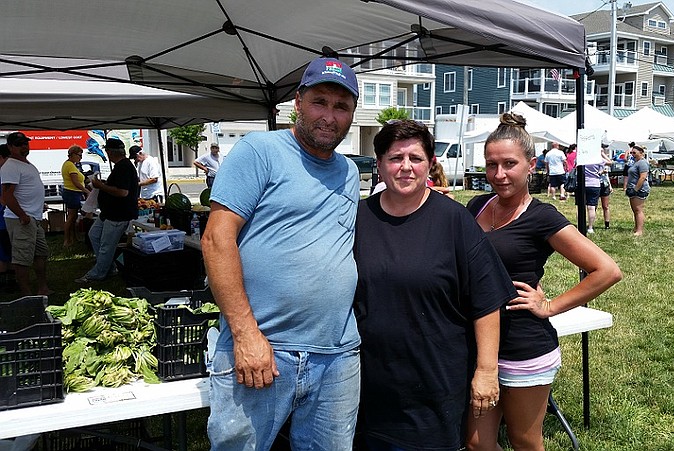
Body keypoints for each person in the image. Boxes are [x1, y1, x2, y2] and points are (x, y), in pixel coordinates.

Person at [201, 57, 362, 450]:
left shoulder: (349, 172)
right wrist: (245, 334)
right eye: (320, 102)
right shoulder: (260, 150)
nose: (329, 115)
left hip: (337, 354)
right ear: (298, 102)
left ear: (352, 115)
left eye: (341, 107)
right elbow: (216, 239)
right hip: (263, 347)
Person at [353, 119, 516, 450]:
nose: (405, 168)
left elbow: (485, 301)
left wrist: (486, 372)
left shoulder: (454, 220)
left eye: (415, 159)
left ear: (430, 164)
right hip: (368, 384)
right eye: (395, 158)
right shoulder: (357, 218)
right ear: (380, 165)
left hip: (435, 381)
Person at [465, 113, 622, 451]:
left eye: (510, 163)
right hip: (479, 345)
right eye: (491, 164)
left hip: (524, 347)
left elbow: (606, 270)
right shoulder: (476, 205)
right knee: (477, 442)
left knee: (524, 440)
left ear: (531, 165)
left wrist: (550, 306)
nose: (499, 174)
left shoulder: (541, 216)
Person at [74, 138, 139, 284]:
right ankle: (109, 267)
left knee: (106, 245)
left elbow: (123, 192)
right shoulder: (121, 166)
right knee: (94, 235)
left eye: (107, 151)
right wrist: (104, 184)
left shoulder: (123, 167)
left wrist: (100, 186)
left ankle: (97, 273)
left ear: (110, 152)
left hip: (119, 214)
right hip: (109, 213)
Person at [0, 132, 51, 295]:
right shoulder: (11, 166)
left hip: (33, 218)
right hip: (21, 219)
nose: (24, 146)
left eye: (25, 143)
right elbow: (7, 196)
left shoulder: (26, 163)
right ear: (10, 147)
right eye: (19, 144)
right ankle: (27, 294)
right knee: (22, 259)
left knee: (41, 253)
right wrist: (22, 215)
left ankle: (43, 288)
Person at [61, 145, 92, 247]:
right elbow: (75, 182)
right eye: (79, 155)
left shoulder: (70, 164)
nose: (81, 158)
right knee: (71, 217)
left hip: (72, 192)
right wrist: (86, 191)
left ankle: (73, 238)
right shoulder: (70, 165)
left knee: (73, 218)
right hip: (72, 193)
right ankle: (66, 240)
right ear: (73, 154)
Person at [581, 144, 614, 233]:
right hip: (594, 183)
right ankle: (590, 227)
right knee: (591, 207)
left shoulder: (582, 158)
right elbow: (610, 162)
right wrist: (602, 154)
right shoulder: (598, 160)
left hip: (582, 183)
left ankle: (580, 225)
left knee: (581, 206)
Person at [625, 145, 650, 236]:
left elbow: (643, 177)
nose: (632, 154)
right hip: (633, 188)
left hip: (640, 189)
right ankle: (636, 227)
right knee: (635, 210)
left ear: (641, 153)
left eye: (634, 153)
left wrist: (635, 189)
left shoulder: (642, 163)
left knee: (638, 210)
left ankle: (639, 230)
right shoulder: (636, 162)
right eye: (631, 153)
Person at [0, 144, 12, 279]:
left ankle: (8, 279)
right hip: (4, 221)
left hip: (4, 220)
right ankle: (8, 281)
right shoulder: (3, 174)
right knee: (6, 253)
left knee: (6, 252)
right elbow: (4, 200)